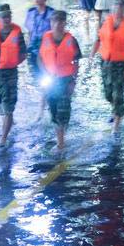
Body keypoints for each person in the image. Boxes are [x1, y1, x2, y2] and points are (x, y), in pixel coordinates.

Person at [90, 0, 124, 134]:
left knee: (118, 94)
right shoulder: (105, 21)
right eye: (116, 6)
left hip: (121, 64)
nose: (118, 9)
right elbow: (98, 39)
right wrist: (91, 56)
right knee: (107, 94)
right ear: (112, 7)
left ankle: (116, 125)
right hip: (105, 62)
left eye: (121, 7)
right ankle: (116, 110)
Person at [0, 4, 27, 147]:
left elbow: (23, 53)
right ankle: (8, 121)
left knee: (8, 106)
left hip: (10, 73)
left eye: (9, 16)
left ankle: (3, 138)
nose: (7, 19)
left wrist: (11, 62)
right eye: (4, 16)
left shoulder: (17, 32)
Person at [39, 10, 82, 152]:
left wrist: (73, 81)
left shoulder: (71, 40)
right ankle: (61, 136)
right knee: (53, 110)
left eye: (61, 21)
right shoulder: (45, 38)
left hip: (65, 81)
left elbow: (76, 61)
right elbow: (39, 58)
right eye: (55, 21)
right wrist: (43, 74)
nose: (57, 24)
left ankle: (61, 144)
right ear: (51, 23)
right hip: (50, 80)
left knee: (62, 111)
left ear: (64, 23)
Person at [24, 0, 56, 119]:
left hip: (46, 54)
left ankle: (42, 109)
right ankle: (47, 101)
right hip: (33, 52)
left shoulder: (52, 14)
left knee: (46, 79)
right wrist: (26, 50)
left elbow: (55, 35)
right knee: (39, 80)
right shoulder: (30, 12)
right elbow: (29, 33)